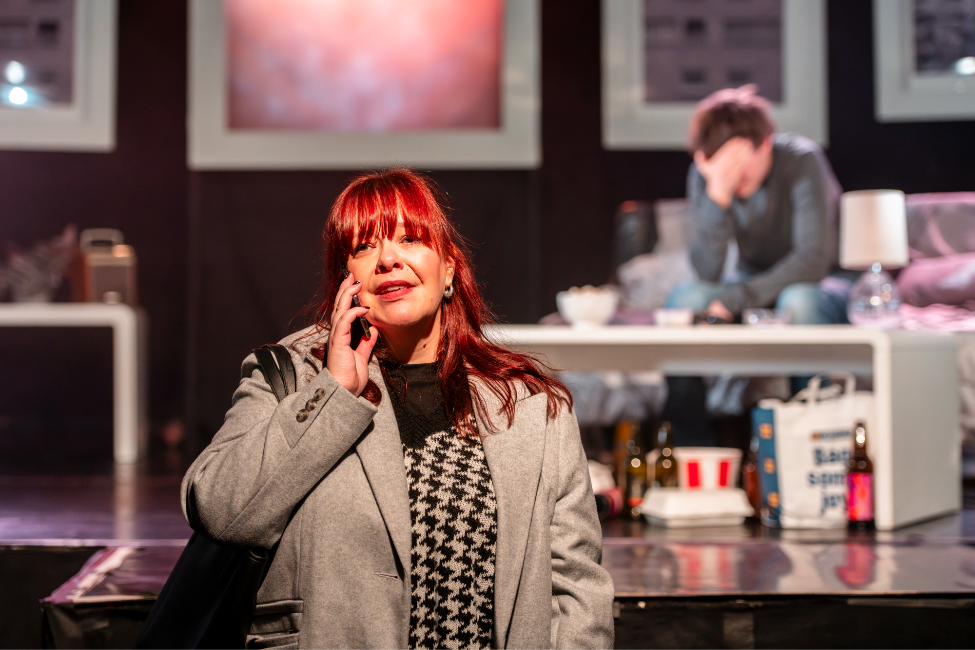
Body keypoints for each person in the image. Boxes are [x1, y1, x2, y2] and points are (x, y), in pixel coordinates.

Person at [181, 169, 615, 649]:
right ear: (345, 278)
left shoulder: (532, 405)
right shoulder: (293, 377)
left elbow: (577, 590)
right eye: (364, 247)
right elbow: (219, 510)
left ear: (449, 268)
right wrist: (335, 389)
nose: (388, 258)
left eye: (410, 238)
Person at [666, 86, 847, 324]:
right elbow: (706, 273)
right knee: (686, 299)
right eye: (722, 166)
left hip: (824, 279)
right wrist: (718, 195)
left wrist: (738, 298)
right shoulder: (709, 176)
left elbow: (812, 262)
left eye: (737, 160)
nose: (731, 173)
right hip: (753, 278)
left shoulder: (801, 160)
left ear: (765, 143)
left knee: (798, 302)